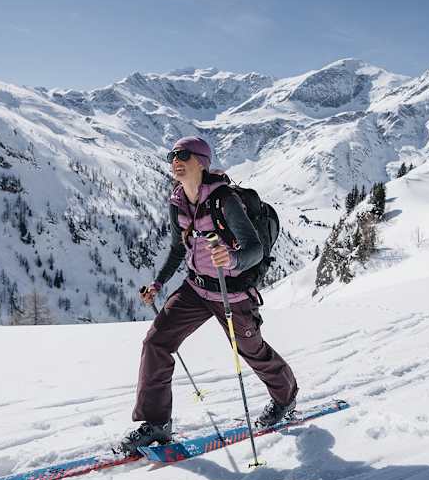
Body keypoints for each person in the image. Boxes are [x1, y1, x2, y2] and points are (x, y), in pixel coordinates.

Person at [115, 136, 298, 457]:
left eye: (183, 155)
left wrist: (232, 259)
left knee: (252, 350)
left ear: (201, 161)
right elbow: (177, 248)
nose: (175, 160)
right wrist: (158, 283)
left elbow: (254, 249)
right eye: (172, 155)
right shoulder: (177, 202)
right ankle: (156, 423)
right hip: (196, 288)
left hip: (232, 291)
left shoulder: (224, 200)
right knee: (156, 343)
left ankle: (286, 398)